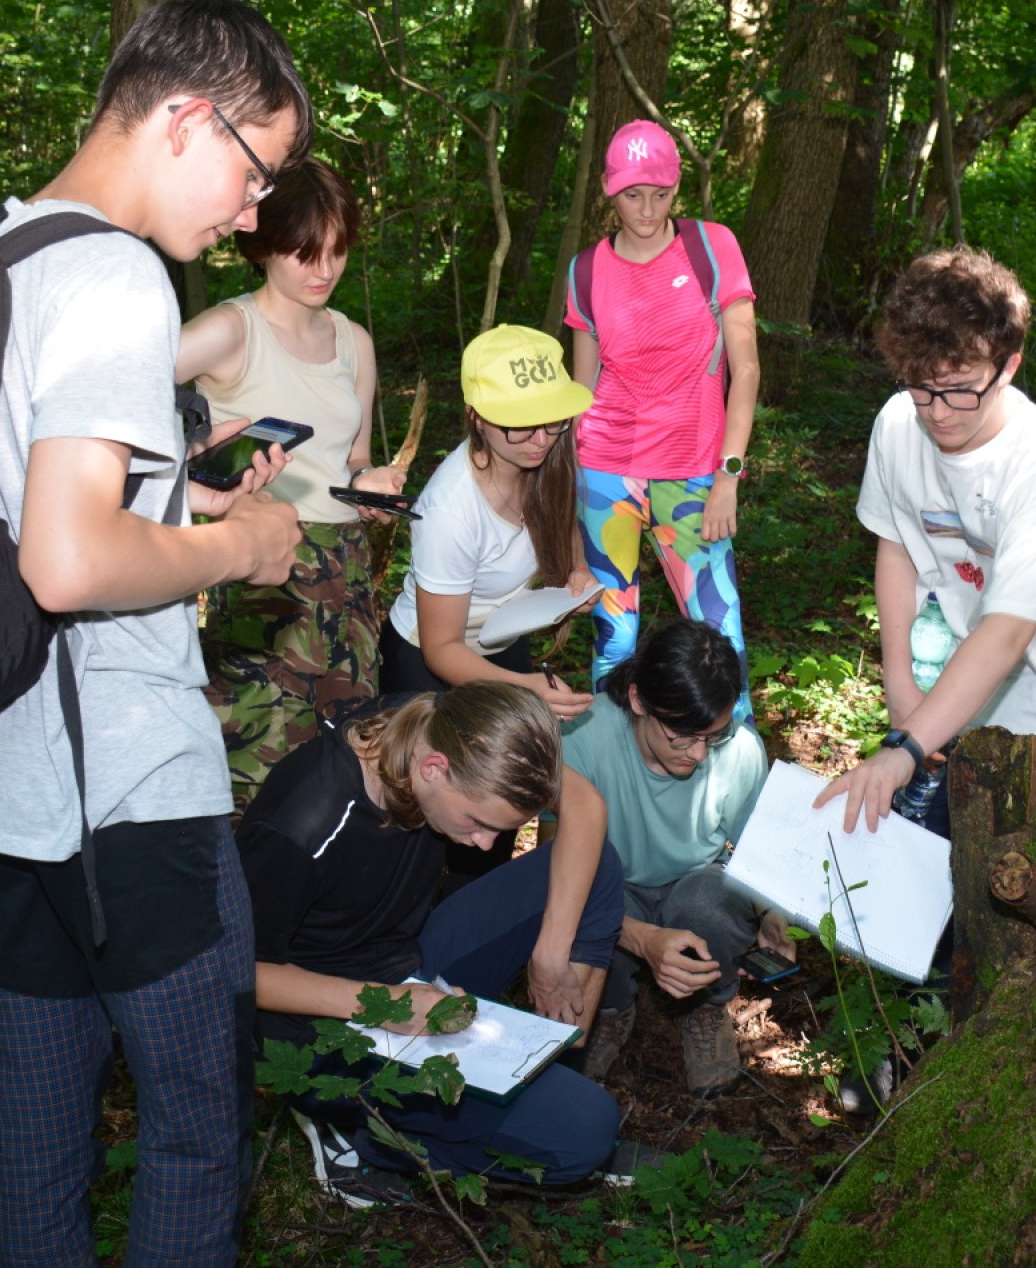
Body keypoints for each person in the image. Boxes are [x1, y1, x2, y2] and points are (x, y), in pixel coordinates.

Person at [0, 0, 309, 1266]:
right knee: (196, 1128)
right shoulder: (113, 272)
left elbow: (17, 499)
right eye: (256, 171)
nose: (250, 214)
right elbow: (68, 559)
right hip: (122, 796)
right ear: (188, 121)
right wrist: (240, 547)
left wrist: (177, 498)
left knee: (38, 1130)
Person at [236, 682, 625, 1201]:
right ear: (433, 768)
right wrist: (385, 1004)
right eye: (479, 822)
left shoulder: (433, 722)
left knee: (594, 866)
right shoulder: (304, 822)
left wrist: (552, 951)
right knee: (587, 1133)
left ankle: (545, 1075)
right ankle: (362, 1140)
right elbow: (237, 973)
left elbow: (582, 801)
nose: (485, 844)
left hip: (407, 958)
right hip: (324, 1025)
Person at [815, 246, 1036, 840]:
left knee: (994, 879)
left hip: (1032, 721)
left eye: (960, 390)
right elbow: (897, 546)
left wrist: (908, 747)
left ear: (1009, 366)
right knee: (910, 869)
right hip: (940, 690)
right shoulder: (899, 424)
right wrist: (901, 687)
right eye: (922, 387)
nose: (938, 412)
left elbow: (1008, 632)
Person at [176, 158, 405, 803]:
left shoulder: (354, 341)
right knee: (254, 765)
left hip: (348, 574)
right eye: (306, 252)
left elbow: (352, 458)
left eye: (337, 251)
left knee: (347, 765)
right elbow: (117, 394)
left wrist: (371, 485)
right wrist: (191, 461)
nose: (324, 269)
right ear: (265, 245)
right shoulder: (230, 330)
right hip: (264, 576)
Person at [381, 323, 599, 879]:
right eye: (519, 422)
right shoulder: (451, 510)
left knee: (503, 793)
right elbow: (441, 649)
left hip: (501, 637)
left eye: (553, 418)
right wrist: (524, 688)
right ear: (476, 416)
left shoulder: (548, 455)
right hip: (427, 659)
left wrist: (575, 570)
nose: (540, 437)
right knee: (435, 813)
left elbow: (563, 519)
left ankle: (485, 906)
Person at [565, 119, 762, 724]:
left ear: (677, 187)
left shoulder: (711, 248)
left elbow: (746, 370)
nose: (647, 210)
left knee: (718, 634)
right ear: (609, 190)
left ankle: (737, 766)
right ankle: (608, 766)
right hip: (606, 472)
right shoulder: (587, 270)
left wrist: (728, 476)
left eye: (660, 193)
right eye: (632, 195)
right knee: (614, 637)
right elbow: (581, 393)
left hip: (693, 472)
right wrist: (568, 503)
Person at [567, 620, 781, 1100]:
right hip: (609, 883)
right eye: (682, 735)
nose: (699, 754)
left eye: (713, 734)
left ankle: (707, 1005)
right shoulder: (584, 734)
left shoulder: (739, 749)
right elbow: (552, 865)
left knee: (711, 906)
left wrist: (772, 915)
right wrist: (639, 938)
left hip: (695, 879)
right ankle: (609, 1007)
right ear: (638, 700)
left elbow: (756, 854)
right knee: (583, 907)